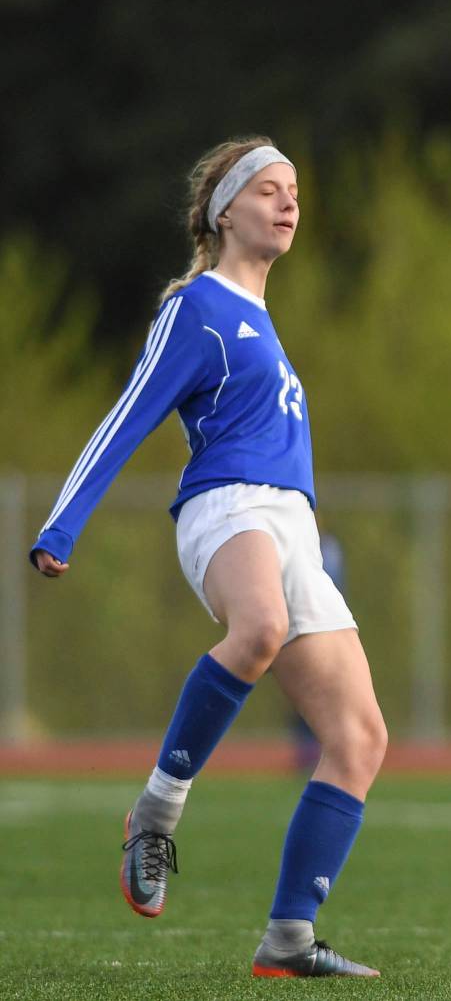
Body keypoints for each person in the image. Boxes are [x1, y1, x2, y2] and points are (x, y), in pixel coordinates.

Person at [30, 138, 388, 975]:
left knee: (360, 739)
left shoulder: (262, 318)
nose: (288, 202)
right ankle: (155, 813)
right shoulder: (198, 307)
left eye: (294, 190)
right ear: (224, 211)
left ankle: (289, 939)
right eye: (267, 190)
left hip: (290, 526)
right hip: (225, 509)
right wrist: (61, 525)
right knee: (258, 627)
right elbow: (127, 416)